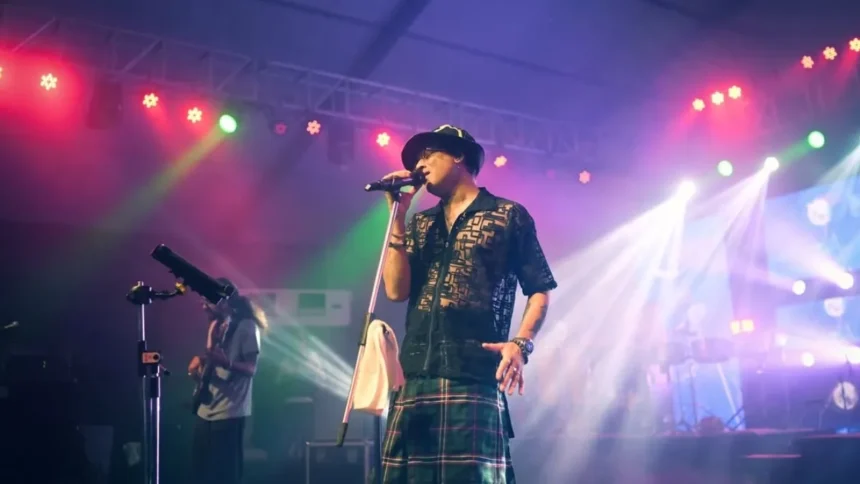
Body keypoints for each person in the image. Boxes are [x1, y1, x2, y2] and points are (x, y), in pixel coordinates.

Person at [379, 124, 557, 483]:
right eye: (415, 160)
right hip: (416, 375)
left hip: (472, 374)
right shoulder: (421, 223)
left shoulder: (507, 214)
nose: (419, 164)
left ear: (459, 155)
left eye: (427, 154)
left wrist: (521, 344)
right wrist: (397, 216)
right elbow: (396, 291)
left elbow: (539, 287)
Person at [187, 279, 267, 484]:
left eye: (207, 301)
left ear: (222, 301)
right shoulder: (215, 325)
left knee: (224, 476)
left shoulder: (247, 326)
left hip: (229, 413)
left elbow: (251, 369)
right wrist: (198, 369)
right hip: (205, 411)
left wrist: (227, 363)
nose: (203, 306)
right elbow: (214, 366)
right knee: (200, 474)